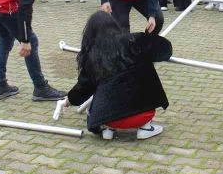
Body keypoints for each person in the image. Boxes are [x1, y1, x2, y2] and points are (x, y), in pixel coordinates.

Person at [63, 11, 172, 140]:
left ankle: (108, 129)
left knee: (98, 98)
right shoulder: (135, 40)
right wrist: (149, 38)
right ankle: (145, 128)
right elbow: (166, 50)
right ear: (114, 26)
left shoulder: (93, 58)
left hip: (108, 118)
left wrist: (68, 101)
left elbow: (82, 88)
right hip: (142, 114)